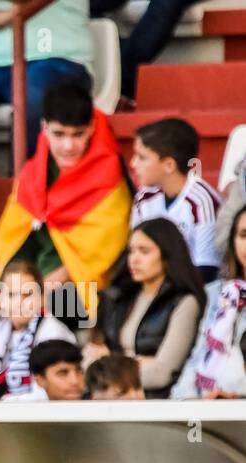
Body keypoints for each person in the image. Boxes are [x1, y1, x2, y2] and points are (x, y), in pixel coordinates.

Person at [0, 83, 131, 327]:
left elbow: (97, 256)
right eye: (59, 134)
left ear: (91, 128)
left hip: (84, 290)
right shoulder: (33, 173)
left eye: (78, 134)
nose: (68, 146)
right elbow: (14, 238)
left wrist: (35, 294)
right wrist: (17, 288)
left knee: (54, 308)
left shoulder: (109, 177)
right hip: (31, 284)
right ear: (44, 128)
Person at [0, 0, 93, 151]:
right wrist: (12, 15)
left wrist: (7, 15)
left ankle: (27, 174)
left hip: (57, 60)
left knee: (34, 94)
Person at [87, 217, 206, 398]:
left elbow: (163, 372)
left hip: (156, 403)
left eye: (144, 251)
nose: (134, 259)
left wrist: (110, 360)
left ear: (166, 254)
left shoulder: (185, 302)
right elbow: (88, 360)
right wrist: (136, 363)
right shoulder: (119, 297)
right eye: (131, 251)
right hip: (112, 400)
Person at [128, 118, 222, 284]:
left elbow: (207, 269)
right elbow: (134, 251)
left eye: (142, 157)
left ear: (169, 165)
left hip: (193, 293)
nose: (133, 163)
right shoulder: (144, 199)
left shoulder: (202, 202)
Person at [0, 259, 74, 401]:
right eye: (11, 295)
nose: (19, 303)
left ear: (41, 298)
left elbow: (48, 394)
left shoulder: (53, 332)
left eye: (27, 295)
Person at [173, 206, 246, 400]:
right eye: (243, 235)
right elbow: (200, 354)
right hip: (208, 404)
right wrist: (183, 398)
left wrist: (236, 395)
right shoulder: (216, 293)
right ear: (232, 241)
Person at [4, 339, 85, 401]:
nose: (75, 381)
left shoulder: (96, 406)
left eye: (79, 371)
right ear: (40, 380)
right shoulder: (15, 412)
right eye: (63, 373)